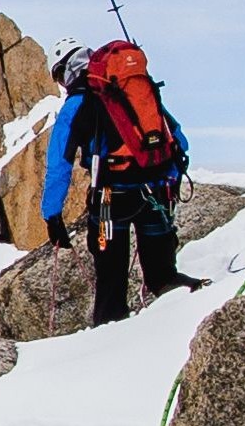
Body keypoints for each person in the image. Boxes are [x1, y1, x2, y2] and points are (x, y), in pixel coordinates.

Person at [41, 40, 195, 322]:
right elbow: (176, 136)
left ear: (65, 72)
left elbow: (59, 164)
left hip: (112, 198)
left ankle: (110, 349)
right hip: (157, 189)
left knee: (111, 287)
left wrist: (52, 215)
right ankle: (185, 323)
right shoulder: (129, 87)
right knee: (163, 277)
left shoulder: (76, 104)